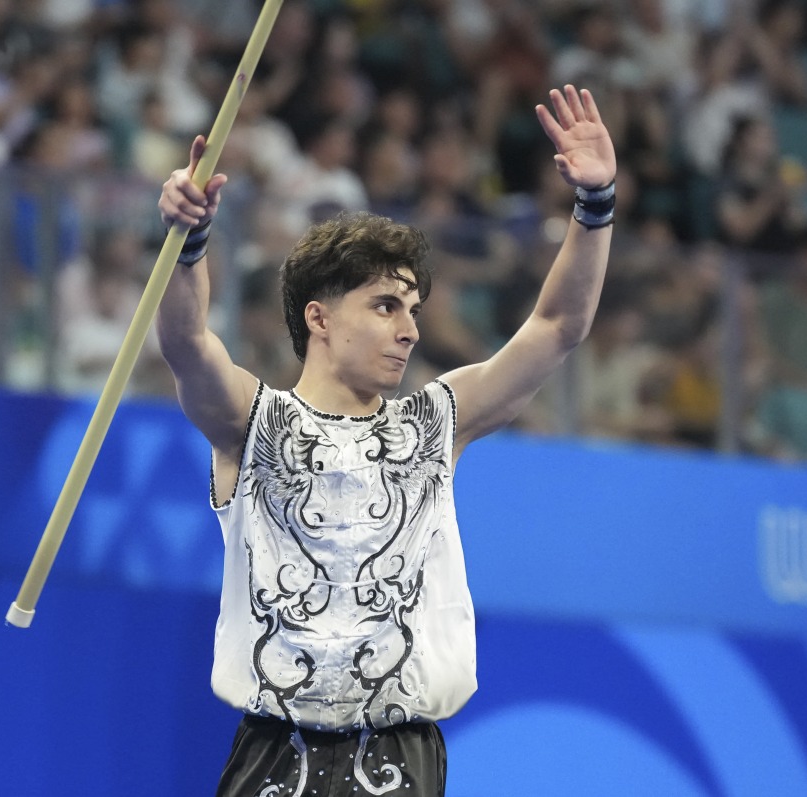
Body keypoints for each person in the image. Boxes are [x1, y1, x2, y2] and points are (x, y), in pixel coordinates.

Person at [154, 84, 616, 797]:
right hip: (275, 758)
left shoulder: (433, 424)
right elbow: (186, 341)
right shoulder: (251, 424)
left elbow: (557, 327)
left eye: (413, 308)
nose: (411, 328)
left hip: (399, 761)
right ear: (320, 317)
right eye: (385, 305)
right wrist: (188, 241)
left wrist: (595, 207)